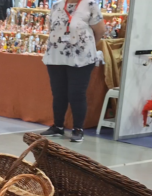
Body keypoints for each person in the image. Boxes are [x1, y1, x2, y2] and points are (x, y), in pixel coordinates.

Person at [40, 0, 106, 143]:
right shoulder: (57, 5)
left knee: (76, 94)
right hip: (56, 56)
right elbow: (51, 27)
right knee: (58, 94)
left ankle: (78, 129)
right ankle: (58, 126)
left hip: (81, 57)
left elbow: (100, 30)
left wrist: (85, 45)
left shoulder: (90, 5)